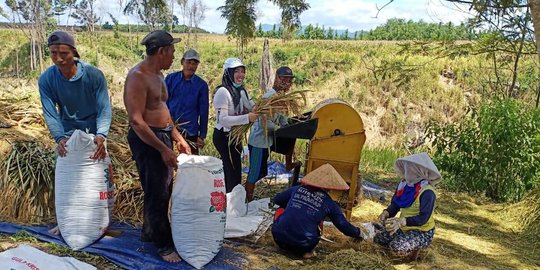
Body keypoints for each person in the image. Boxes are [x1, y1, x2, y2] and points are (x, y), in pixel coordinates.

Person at [124, 30, 191, 263]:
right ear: (161, 51)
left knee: (162, 188)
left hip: (162, 135)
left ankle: (149, 231)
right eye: (172, 51)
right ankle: (163, 246)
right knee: (158, 192)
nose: (174, 56)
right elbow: (136, 121)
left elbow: (162, 111)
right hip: (146, 138)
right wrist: (163, 148)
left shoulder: (160, 76)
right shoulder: (138, 77)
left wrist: (176, 136)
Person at [39, 31, 112, 235]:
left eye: (64, 53)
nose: (59, 59)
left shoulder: (93, 75)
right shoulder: (47, 79)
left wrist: (101, 136)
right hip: (68, 131)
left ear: (74, 51)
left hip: (93, 130)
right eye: (53, 53)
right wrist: (59, 137)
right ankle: (65, 221)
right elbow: (50, 112)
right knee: (65, 176)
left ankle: (97, 221)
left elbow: (104, 108)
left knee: (95, 177)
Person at [271, 163, 365, 259]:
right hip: (304, 244)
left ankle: (284, 244)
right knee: (318, 222)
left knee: (280, 210)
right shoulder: (329, 203)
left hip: (279, 237)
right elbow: (343, 225)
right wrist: (358, 233)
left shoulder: (296, 189)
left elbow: (277, 200)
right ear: (330, 187)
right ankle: (307, 252)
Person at [374, 152, 441, 260]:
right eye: (406, 168)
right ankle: (402, 238)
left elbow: (423, 218)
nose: (406, 172)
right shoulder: (404, 185)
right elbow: (396, 204)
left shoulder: (427, 192)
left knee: (397, 247)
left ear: (418, 172)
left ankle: (415, 253)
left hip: (421, 230)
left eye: (410, 169)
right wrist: (386, 212)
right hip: (403, 226)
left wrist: (401, 221)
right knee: (378, 239)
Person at [245, 66, 298, 201]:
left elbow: (280, 117)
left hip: (266, 141)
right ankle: (247, 200)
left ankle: (289, 163)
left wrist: (287, 125)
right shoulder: (269, 97)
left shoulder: (280, 98)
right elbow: (265, 122)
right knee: (254, 173)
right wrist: (280, 129)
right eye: (284, 80)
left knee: (262, 172)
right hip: (258, 141)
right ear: (277, 79)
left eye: (289, 80)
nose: (287, 83)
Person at [212, 57, 258, 193]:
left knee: (236, 168)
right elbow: (224, 120)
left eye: (242, 71)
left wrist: (258, 108)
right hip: (224, 136)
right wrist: (247, 118)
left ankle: (234, 198)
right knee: (230, 169)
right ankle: (228, 200)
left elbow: (250, 105)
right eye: (236, 71)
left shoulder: (242, 90)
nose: (241, 75)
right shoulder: (223, 92)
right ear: (228, 73)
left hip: (235, 136)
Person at [165, 49, 209, 155]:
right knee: (169, 162)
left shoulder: (201, 85)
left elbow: (204, 112)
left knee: (190, 165)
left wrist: (202, 136)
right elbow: (163, 102)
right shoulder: (171, 79)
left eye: (195, 63)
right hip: (169, 127)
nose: (191, 66)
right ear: (182, 62)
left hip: (190, 132)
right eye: (189, 62)